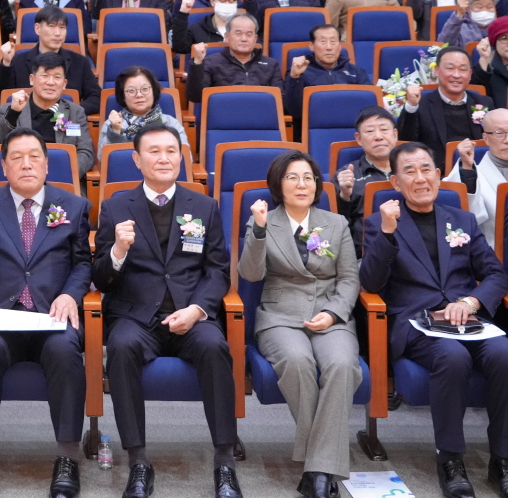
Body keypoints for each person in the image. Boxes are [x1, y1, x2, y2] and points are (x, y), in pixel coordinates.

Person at [92, 124, 242, 498]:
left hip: (190, 314)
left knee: (215, 347)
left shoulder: (204, 206)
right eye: (154, 151)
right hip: (134, 317)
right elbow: (100, 278)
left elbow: (217, 269)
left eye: (171, 151)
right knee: (122, 349)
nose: (164, 158)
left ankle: (224, 462)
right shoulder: (114, 208)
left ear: (181, 157)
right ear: (137, 160)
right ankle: (139, 462)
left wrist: (197, 310)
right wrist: (118, 252)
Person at [361, 141, 508, 498]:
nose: (420, 177)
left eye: (426, 168)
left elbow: (496, 274)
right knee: (452, 357)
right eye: (409, 171)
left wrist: (471, 301)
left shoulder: (462, 220)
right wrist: (388, 231)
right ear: (395, 182)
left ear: (439, 175)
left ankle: (501, 459)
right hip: (416, 323)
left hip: (467, 319)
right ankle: (451, 458)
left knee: (504, 354)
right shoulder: (378, 224)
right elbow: (370, 282)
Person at [0, 127, 90, 498]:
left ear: (48, 165)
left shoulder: (74, 206)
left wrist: (70, 295)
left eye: (34, 156)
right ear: (3, 166)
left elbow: (83, 264)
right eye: (16, 157)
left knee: (66, 353)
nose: (26, 163)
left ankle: (67, 458)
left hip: (51, 316)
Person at [239, 150, 361, 498]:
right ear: (279, 184)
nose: (302, 183)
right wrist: (259, 230)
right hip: (280, 316)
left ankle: (316, 470)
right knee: (297, 362)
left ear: (318, 184)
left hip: (329, 313)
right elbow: (250, 274)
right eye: (293, 177)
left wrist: (335, 313)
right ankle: (323, 469)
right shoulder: (265, 220)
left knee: (341, 365)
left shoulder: (335, 222)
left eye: (308, 177)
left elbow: (350, 279)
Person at [0, 52, 94, 178]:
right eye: (45, 76)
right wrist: (13, 113)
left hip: (63, 182)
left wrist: (63, 174)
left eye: (57, 77)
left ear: (64, 83)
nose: (51, 82)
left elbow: (86, 152)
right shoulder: (9, 110)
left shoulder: (75, 112)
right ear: (32, 79)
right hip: (22, 181)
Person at [0, 5, 101, 116]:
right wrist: (6, 63)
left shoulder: (79, 62)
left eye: (62, 27)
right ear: (37, 28)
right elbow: (3, 98)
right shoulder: (18, 61)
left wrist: (70, 111)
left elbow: (96, 97)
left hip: (65, 122)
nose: (58, 33)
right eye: (51, 26)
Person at [398, 46, 494, 167]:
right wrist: (411, 106)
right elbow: (406, 143)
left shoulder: (484, 103)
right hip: (437, 176)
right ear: (436, 71)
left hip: (480, 172)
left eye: (463, 70)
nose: (456, 75)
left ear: (470, 74)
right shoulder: (421, 104)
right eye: (450, 68)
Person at [332, 106, 398, 258]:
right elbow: (335, 226)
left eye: (384, 129)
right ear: (359, 139)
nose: (378, 136)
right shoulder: (346, 175)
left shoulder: (411, 169)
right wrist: (344, 196)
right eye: (369, 131)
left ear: (395, 135)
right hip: (366, 254)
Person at [186, 13, 283, 104]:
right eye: (238, 33)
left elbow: (280, 101)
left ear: (255, 39)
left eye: (249, 34)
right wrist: (198, 63)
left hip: (260, 118)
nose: (244, 39)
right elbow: (195, 97)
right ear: (227, 37)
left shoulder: (271, 64)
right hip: (223, 118)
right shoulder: (211, 62)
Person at [444, 107, 508, 243]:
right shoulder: (471, 172)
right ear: (486, 138)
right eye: (499, 133)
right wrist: (467, 169)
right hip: (494, 251)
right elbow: (467, 218)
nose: (507, 140)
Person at [98, 66, 189, 160]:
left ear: (153, 91)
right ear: (123, 96)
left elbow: (186, 159)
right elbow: (102, 159)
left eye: (145, 89)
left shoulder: (170, 123)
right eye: (131, 91)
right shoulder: (113, 124)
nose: (139, 95)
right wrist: (115, 132)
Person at [283, 24, 371, 121]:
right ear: (312, 46)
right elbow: (294, 111)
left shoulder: (356, 71)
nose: (329, 47)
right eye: (323, 41)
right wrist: (295, 77)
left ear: (340, 46)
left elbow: (370, 106)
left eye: (333, 41)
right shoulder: (299, 71)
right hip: (313, 128)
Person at [171, 0, 244, 55]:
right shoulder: (198, 29)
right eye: (222, 1)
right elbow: (179, 47)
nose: (227, 4)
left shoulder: (245, 27)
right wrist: (182, 13)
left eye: (231, 1)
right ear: (212, 2)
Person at [473, 16, 508, 107]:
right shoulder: (487, 67)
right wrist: (484, 59)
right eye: (504, 38)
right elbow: (474, 94)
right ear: (494, 42)